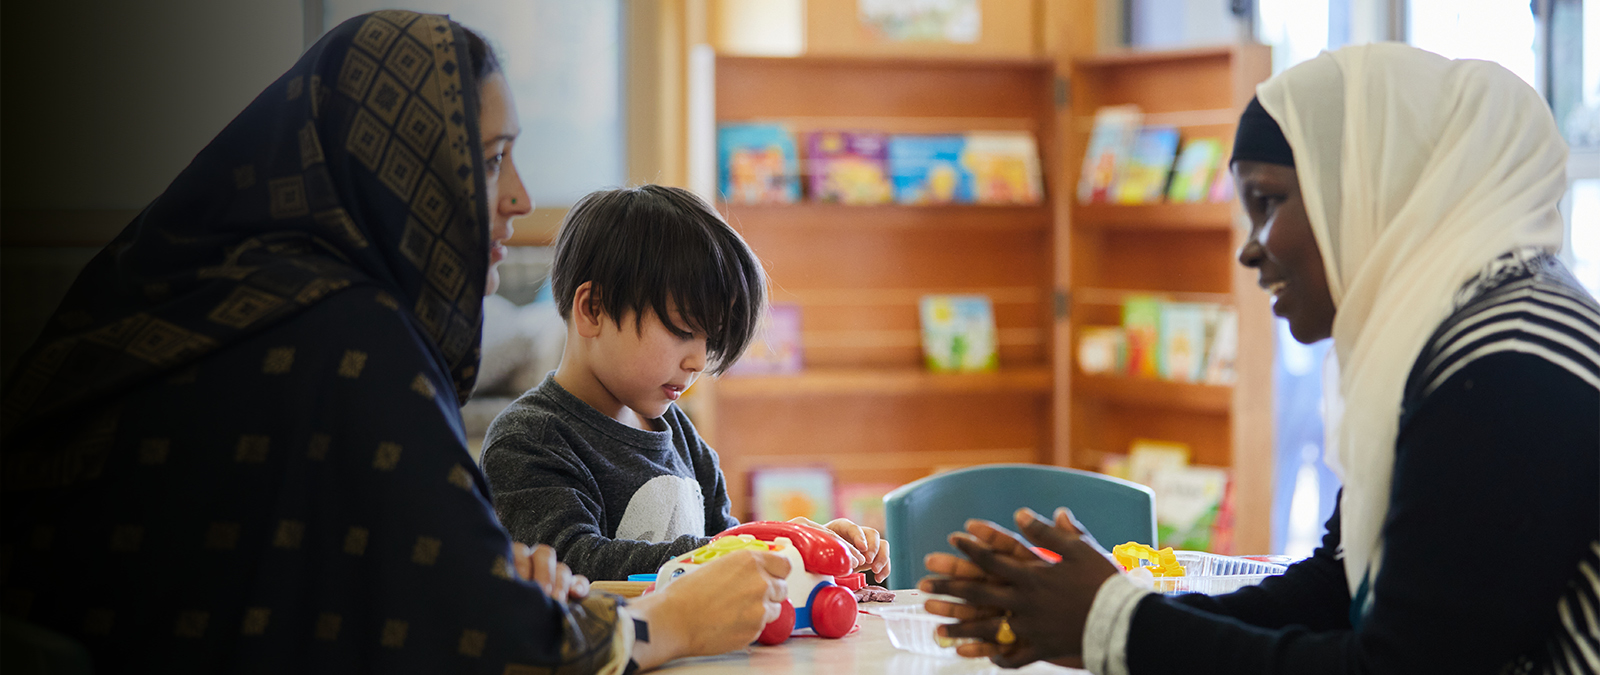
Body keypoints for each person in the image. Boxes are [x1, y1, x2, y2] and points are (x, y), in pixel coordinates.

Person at [0, 11, 790, 673]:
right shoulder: (346, 338)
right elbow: (483, 632)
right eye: (490, 162)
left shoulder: (237, 296)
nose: (518, 197)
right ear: (406, 177)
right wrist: (670, 623)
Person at [919, 43, 1599, 674]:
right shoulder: (1464, 331)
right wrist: (1092, 620)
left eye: (1268, 203)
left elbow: (1395, 667)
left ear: (1369, 193)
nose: (1250, 249)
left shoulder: (1508, 366)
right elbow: (1336, 591)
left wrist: (1115, 623)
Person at [480, 185, 892, 583]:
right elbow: (572, 564)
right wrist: (754, 548)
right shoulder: (529, 439)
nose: (698, 361)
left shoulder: (682, 436)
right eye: (683, 331)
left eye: (710, 341)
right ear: (593, 309)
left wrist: (800, 551)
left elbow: (726, 548)